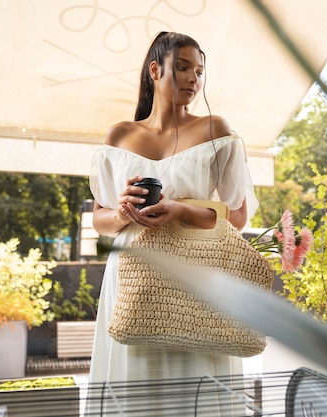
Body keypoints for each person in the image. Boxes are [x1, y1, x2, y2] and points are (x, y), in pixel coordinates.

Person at [86, 32, 258, 416]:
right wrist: (121, 213)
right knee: (134, 384)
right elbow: (100, 219)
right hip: (130, 279)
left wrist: (180, 210)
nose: (193, 79)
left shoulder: (216, 129)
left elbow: (239, 216)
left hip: (195, 275)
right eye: (182, 68)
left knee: (196, 384)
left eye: (199, 71)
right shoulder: (119, 136)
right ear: (154, 70)